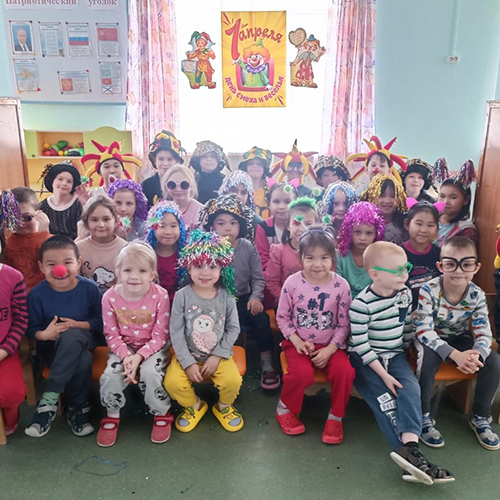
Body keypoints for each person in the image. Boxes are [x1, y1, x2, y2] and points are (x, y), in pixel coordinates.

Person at [349, 241, 454, 485]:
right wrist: (385, 376)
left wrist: (406, 353)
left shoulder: (405, 294)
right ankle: (414, 458)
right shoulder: (361, 305)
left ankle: (411, 451)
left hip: (394, 354)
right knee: (386, 401)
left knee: (411, 389)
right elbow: (361, 346)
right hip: (366, 360)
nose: (405, 274)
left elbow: (406, 326)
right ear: (375, 274)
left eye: (406, 268)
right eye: (397, 270)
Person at [414, 236, 500, 451]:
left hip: (459, 337)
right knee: (427, 361)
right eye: (451, 263)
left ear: (476, 267)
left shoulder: (477, 295)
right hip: (430, 339)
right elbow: (423, 330)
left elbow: (484, 332)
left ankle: (480, 417)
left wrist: (476, 355)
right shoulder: (428, 289)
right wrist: (455, 355)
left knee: (494, 361)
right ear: (440, 266)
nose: (459, 270)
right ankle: (423, 416)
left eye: (467, 264)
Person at [276, 226, 354, 443]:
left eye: (324, 257)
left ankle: (335, 416)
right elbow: (282, 317)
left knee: (345, 372)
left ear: (333, 258)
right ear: (301, 257)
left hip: (331, 346)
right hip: (298, 343)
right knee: (301, 374)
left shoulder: (341, 286)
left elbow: (344, 323)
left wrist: (330, 349)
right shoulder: (292, 283)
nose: (317, 264)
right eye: (310, 257)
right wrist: (296, 341)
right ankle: (285, 408)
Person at [163, 230, 243, 432]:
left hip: (219, 356)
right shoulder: (182, 296)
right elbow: (176, 331)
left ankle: (224, 407)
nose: (205, 272)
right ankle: (195, 406)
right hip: (187, 354)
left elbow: (233, 328)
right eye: (199, 265)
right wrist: (187, 362)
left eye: (212, 266)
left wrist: (218, 355)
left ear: (222, 268)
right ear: (189, 267)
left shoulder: (227, 297)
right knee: (172, 383)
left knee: (232, 381)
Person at [25, 236, 103, 438]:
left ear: (78, 263)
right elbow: (31, 329)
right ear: (41, 267)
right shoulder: (36, 295)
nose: (60, 269)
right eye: (51, 264)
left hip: (85, 339)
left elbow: (100, 322)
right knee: (83, 359)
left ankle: (49, 399)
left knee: (73, 335)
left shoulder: (90, 289)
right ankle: (77, 409)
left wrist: (77, 325)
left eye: (67, 262)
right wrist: (44, 334)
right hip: (51, 348)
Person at [200, 194, 280, 389]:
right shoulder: (208, 248)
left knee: (260, 319)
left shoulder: (247, 247)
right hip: (216, 300)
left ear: (240, 225)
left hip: (243, 299)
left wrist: (256, 297)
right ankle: (213, 358)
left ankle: (266, 362)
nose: (227, 228)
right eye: (221, 223)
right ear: (212, 226)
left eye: (233, 223)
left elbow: (258, 277)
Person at [97, 242, 172, 447]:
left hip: (154, 347)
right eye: (128, 270)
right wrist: (126, 356)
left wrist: (139, 357)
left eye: (142, 271)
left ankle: (161, 412)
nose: (134, 276)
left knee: (150, 373)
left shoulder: (160, 295)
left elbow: (161, 334)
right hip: (123, 348)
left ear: (152, 274)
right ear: (118, 272)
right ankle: (112, 413)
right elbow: (111, 334)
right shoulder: (109, 297)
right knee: (110, 376)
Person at [0, 229, 28, 438]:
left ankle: (10, 421)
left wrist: (4, 351)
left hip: (4, 351)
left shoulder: (13, 277)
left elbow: (20, 320)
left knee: (12, 393)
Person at [265, 197, 319, 305]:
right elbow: (272, 282)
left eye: (308, 224)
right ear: (288, 226)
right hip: (287, 304)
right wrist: (288, 301)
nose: (302, 229)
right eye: (296, 223)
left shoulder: (321, 252)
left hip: (315, 303)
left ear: (316, 225)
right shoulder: (278, 251)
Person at [76, 196, 127, 293]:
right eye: (94, 220)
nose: (101, 225)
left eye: (106, 219)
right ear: (86, 223)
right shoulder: (78, 248)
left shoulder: (125, 249)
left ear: (116, 221)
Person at [5, 187, 51, 292]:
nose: (21, 223)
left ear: (39, 214)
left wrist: (44, 235)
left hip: (44, 295)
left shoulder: (49, 240)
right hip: (17, 297)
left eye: (26, 217)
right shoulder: (5, 244)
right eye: (14, 218)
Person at [336, 201, 386, 298]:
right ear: (349, 231)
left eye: (369, 233)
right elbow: (337, 288)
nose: (363, 238)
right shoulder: (340, 256)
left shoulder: (380, 258)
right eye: (357, 232)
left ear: (376, 234)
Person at [145, 200, 187, 303]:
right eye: (162, 226)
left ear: (180, 227)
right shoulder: (145, 254)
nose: (168, 232)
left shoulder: (186, 254)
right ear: (153, 227)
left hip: (179, 305)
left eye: (173, 226)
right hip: (151, 305)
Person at [76, 140, 142, 205]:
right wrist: (87, 202)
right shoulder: (93, 194)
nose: (112, 171)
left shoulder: (132, 191)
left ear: (123, 170)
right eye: (106, 167)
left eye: (116, 166)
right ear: (100, 173)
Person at [402, 200, 441, 307]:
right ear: (407, 224)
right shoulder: (398, 254)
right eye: (419, 224)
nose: (424, 230)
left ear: (437, 228)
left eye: (430, 225)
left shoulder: (439, 254)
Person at [255, 181, 297, 271]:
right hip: (271, 273)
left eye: (287, 202)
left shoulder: (301, 227)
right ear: (268, 204)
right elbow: (262, 259)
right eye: (276, 201)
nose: (282, 207)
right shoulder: (263, 227)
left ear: (295, 203)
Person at [434, 159, 477, 247]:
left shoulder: (466, 230)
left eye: (453, 197)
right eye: (442, 196)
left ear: (466, 200)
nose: (446, 202)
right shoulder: (430, 217)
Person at [39, 161, 83, 240]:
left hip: (76, 244)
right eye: (60, 179)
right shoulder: (43, 206)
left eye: (69, 181)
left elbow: (82, 235)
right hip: (51, 245)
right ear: (52, 180)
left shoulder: (79, 205)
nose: (64, 183)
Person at [361, 174, 408, 246]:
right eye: (382, 196)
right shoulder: (362, 222)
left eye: (393, 196)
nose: (387, 201)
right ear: (371, 196)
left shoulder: (404, 224)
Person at [142, 130, 185, 207]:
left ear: (176, 161)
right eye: (161, 159)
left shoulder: (184, 184)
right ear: (155, 161)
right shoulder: (146, 185)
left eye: (170, 159)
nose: (165, 163)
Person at [162, 165, 203, 232]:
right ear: (166, 187)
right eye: (172, 185)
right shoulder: (160, 210)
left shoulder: (202, 211)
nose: (178, 189)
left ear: (191, 186)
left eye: (184, 185)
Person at [238, 146, 273, 218]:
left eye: (259, 164)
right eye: (251, 163)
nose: (255, 166)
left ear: (265, 168)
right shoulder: (239, 190)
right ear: (245, 167)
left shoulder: (271, 190)